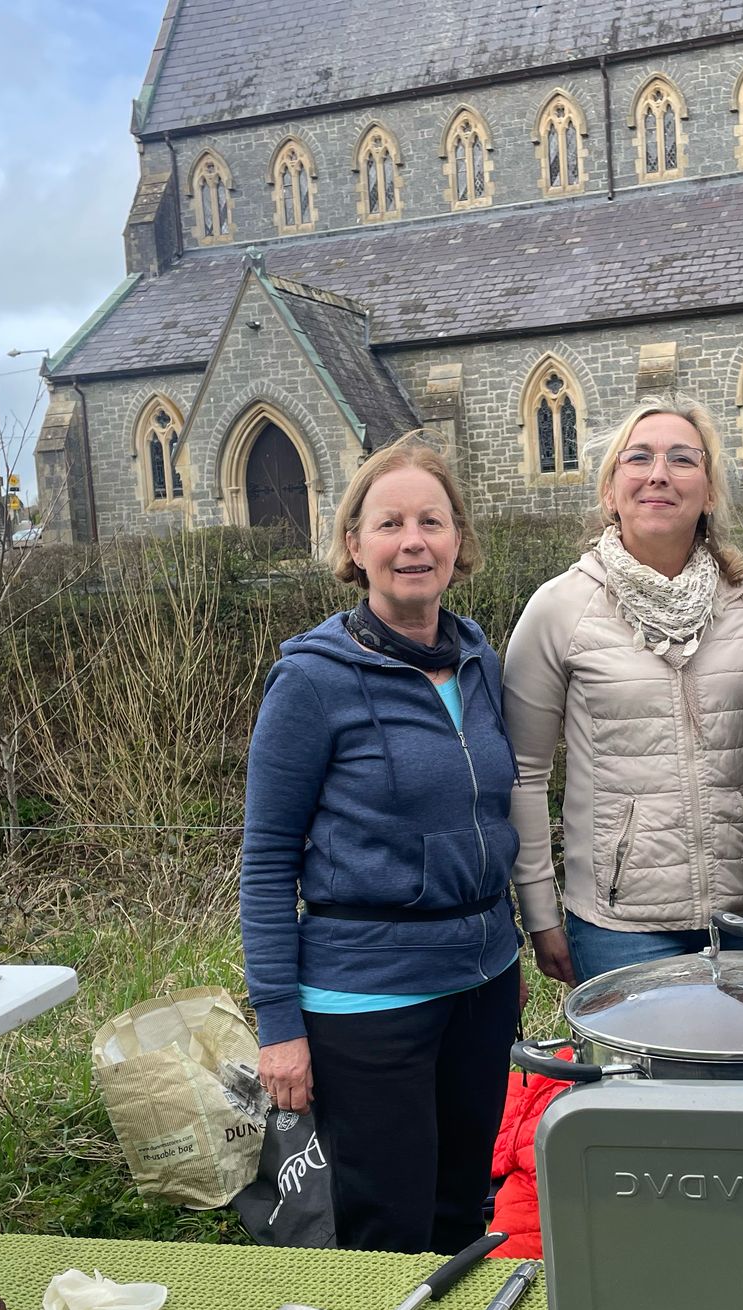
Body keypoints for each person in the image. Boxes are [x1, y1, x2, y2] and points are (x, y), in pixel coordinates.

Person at [239, 432, 521, 1253]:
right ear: (354, 545)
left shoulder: (478, 661)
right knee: (386, 1226)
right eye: (389, 523)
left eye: (431, 521)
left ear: (458, 541)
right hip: (369, 998)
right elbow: (264, 866)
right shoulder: (311, 680)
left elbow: (495, 813)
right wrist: (278, 1024)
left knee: (463, 1206)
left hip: (481, 984)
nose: (412, 542)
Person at [503, 399, 743, 985]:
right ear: (610, 491)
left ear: (708, 493)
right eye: (639, 457)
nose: (659, 473)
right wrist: (541, 913)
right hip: (620, 928)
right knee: (639, 1081)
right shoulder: (560, 610)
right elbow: (522, 772)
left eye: (683, 459)